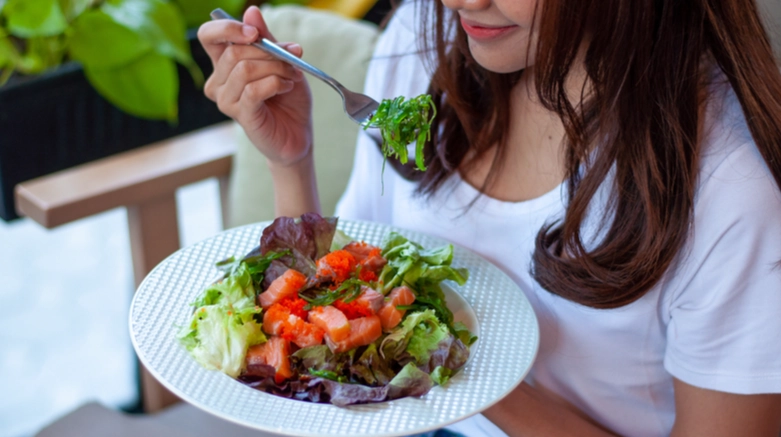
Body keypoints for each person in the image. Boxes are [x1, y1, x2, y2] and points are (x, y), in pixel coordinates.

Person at [197, 0, 781, 435]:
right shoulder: (419, 44)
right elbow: (340, 286)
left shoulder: (730, 190)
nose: (459, 2)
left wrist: (456, 367)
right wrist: (289, 162)